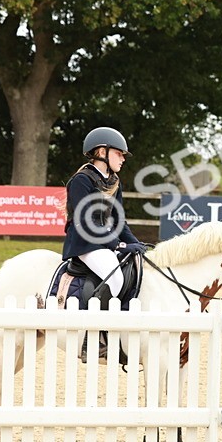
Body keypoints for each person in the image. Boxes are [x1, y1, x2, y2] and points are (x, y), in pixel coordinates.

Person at [62, 127, 146, 360]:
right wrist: (118, 245)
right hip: (84, 243)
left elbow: (118, 220)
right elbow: (85, 220)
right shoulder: (81, 180)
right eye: (119, 154)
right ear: (102, 151)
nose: (122, 159)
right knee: (115, 277)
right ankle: (92, 339)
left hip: (103, 242)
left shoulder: (114, 181)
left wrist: (135, 244)